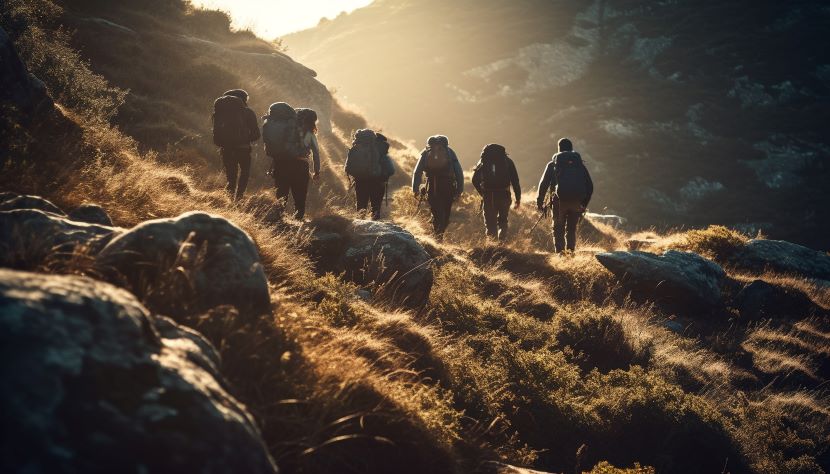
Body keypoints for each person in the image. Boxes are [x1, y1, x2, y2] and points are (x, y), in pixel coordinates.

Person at [536, 138, 593, 253]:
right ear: (571, 149)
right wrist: (583, 204)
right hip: (576, 202)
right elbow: (590, 186)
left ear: (559, 148)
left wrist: (540, 201)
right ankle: (570, 253)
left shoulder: (553, 164)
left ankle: (561, 255)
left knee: (558, 228)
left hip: (558, 201)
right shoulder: (579, 165)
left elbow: (543, 184)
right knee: (571, 229)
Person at [263, 103, 316, 220]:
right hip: (299, 164)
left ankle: (279, 219)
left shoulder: (275, 124)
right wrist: (316, 170)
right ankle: (298, 220)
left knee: (281, 194)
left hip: (280, 163)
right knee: (300, 195)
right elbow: (313, 150)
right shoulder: (301, 128)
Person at [411, 135, 464, 240]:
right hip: (448, 186)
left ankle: (437, 235)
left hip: (432, 185)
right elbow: (459, 172)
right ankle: (439, 235)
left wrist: (415, 189)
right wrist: (459, 190)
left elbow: (417, 172)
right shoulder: (450, 152)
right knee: (445, 212)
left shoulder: (426, 152)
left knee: (436, 211)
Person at [212, 89, 260, 201]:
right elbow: (256, 134)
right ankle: (239, 197)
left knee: (231, 175)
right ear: (243, 99)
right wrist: (245, 139)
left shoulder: (220, 111)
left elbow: (216, 132)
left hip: (226, 149)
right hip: (243, 149)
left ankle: (230, 198)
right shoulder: (248, 112)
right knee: (244, 172)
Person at [472, 144, 521, 242]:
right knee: (503, 220)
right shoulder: (508, 161)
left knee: (490, 223)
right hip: (504, 195)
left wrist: (483, 193)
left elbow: (474, 180)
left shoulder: (483, 161)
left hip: (489, 195)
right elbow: (515, 181)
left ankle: (492, 246)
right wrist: (518, 198)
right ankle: (501, 241)